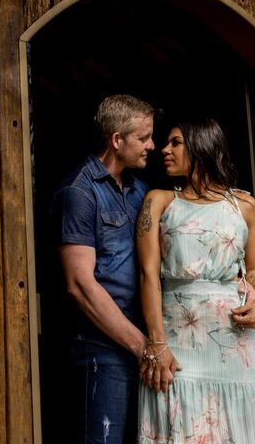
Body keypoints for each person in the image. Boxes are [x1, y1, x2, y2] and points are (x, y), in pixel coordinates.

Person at [135, 117, 255, 443]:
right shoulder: (159, 202)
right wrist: (157, 344)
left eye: (175, 142)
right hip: (176, 348)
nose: (164, 149)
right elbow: (148, 275)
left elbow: (254, 270)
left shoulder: (244, 206)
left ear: (201, 146)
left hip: (236, 349)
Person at [52, 94, 156, 444]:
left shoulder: (141, 191)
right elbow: (80, 285)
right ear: (117, 141)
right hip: (101, 351)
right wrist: (142, 345)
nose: (151, 146)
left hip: (142, 345)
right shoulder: (79, 192)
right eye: (143, 138)